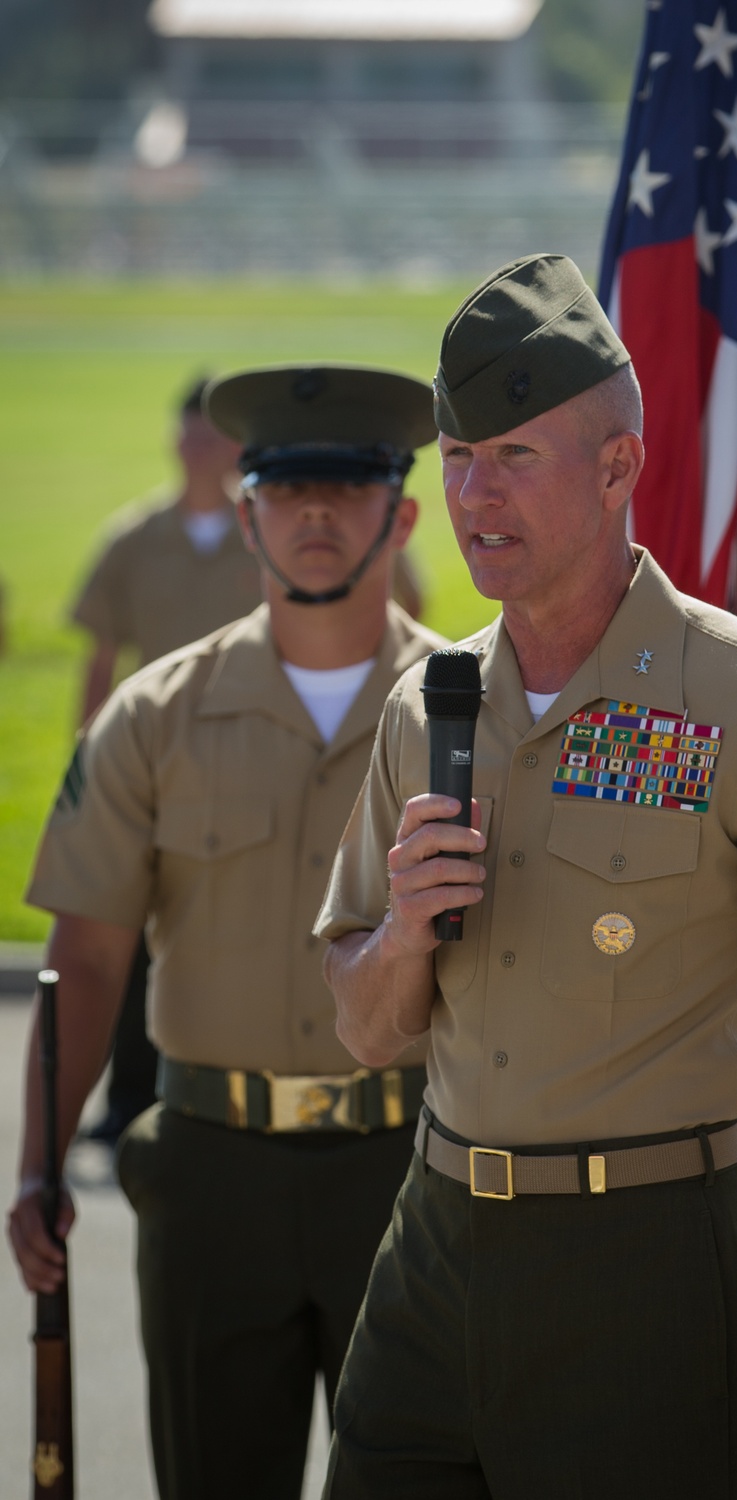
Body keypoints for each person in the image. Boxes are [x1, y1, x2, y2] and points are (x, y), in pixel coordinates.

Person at [312, 255, 737, 1500]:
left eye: (517, 458)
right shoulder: (423, 706)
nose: (476, 495)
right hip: (432, 1248)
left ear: (616, 467)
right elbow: (365, 1027)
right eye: (458, 457)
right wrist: (404, 937)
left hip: (644, 1262)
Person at [8, 363, 447, 1500]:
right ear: (244, 511)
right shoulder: (151, 717)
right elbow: (89, 959)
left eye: (346, 489)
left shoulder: (472, 713)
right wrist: (36, 1164)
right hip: (213, 1175)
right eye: (286, 487)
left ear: (399, 514)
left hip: (418, 1169)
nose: (313, 514)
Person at [71, 374, 261, 1143]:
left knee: (248, 932)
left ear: (237, 449)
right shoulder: (135, 537)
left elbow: (396, 605)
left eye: (212, 436)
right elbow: (100, 656)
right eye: (189, 434)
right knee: (135, 936)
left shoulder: (274, 529)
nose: (198, 449)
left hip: (254, 765)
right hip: (152, 769)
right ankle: (128, 1099)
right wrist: (88, 762)